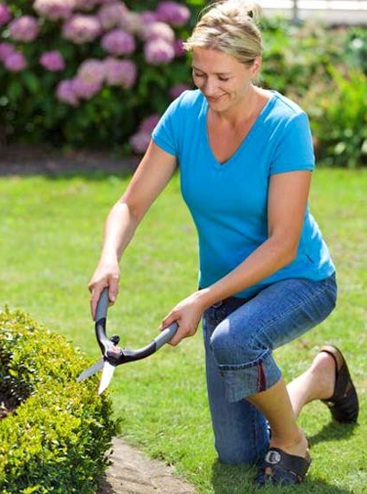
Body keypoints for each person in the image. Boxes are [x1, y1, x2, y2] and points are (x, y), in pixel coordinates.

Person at [88, 0, 359, 487]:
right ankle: (323, 375)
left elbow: (281, 243)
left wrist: (201, 299)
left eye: (224, 78)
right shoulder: (185, 114)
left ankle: (293, 444)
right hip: (228, 291)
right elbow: (129, 204)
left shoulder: (286, 125)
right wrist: (110, 257)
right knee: (240, 451)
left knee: (233, 339)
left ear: (254, 67)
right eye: (200, 75)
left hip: (297, 278)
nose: (210, 90)